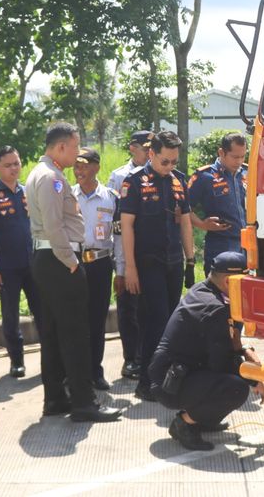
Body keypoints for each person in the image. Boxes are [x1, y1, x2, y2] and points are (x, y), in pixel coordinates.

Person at [27, 122, 123, 423]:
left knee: (54, 333)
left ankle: (55, 398)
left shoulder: (42, 173)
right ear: (60, 147)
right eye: (75, 145)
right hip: (59, 258)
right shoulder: (52, 178)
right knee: (76, 333)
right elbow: (55, 226)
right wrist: (71, 261)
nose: (78, 153)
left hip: (48, 258)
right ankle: (83, 402)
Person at [148, 251, 264, 451]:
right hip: (169, 383)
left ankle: (203, 418)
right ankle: (185, 423)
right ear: (230, 282)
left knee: (231, 378)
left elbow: (226, 348)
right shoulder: (214, 308)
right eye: (245, 281)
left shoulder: (205, 290)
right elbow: (222, 362)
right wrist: (255, 377)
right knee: (236, 388)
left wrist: (244, 352)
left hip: (176, 373)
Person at [118, 130, 195, 401]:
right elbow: (126, 227)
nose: (170, 166)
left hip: (173, 261)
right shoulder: (135, 182)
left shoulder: (178, 182)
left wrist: (191, 260)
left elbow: (185, 222)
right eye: (165, 161)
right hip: (147, 263)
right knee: (155, 321)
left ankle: (165, 378)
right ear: (151, 154)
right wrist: (130, 268)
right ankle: (146, 381)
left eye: (174, 161)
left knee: (172, 321)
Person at [0, 145, 40, 378]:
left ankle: (52, 359)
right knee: (10, 316)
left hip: (33, 264)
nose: (13, 169)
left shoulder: (28, 192)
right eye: (7, 165)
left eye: (16, 163)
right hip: (6, 268)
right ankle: (16, 362)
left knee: (43, 312)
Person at [72, 147, 123, 391]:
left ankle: (96, 371)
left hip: (101, 264)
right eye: (76, 165)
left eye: (83, 165)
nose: (78, 170)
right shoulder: (68, 196)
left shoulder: (111, 197)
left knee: (97, 319)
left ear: (96, 167)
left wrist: (120, 269)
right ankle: (75, 374)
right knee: (75, 321)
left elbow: (120, 235)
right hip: (74, 263)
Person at [106, 129, 151, 380]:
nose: (149, 152)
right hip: (126, 253)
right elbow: (117, 226)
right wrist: (121, 267)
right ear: (133, 148)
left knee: (151, 308)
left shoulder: (160, 174)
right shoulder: (119, 177)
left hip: (151, 254)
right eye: (145, 148)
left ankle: (149, 357)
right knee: (128, 308)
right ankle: (131, 359)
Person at [188, 132, 249, 275]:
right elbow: (183, 208)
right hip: (221, 244)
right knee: (220, 292)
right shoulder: (204, 176)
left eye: (242, 156)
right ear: (221, 152)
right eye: (235, 157)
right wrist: (202, 224)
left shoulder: (248, 173)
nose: (239, 161)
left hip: (249, 244)